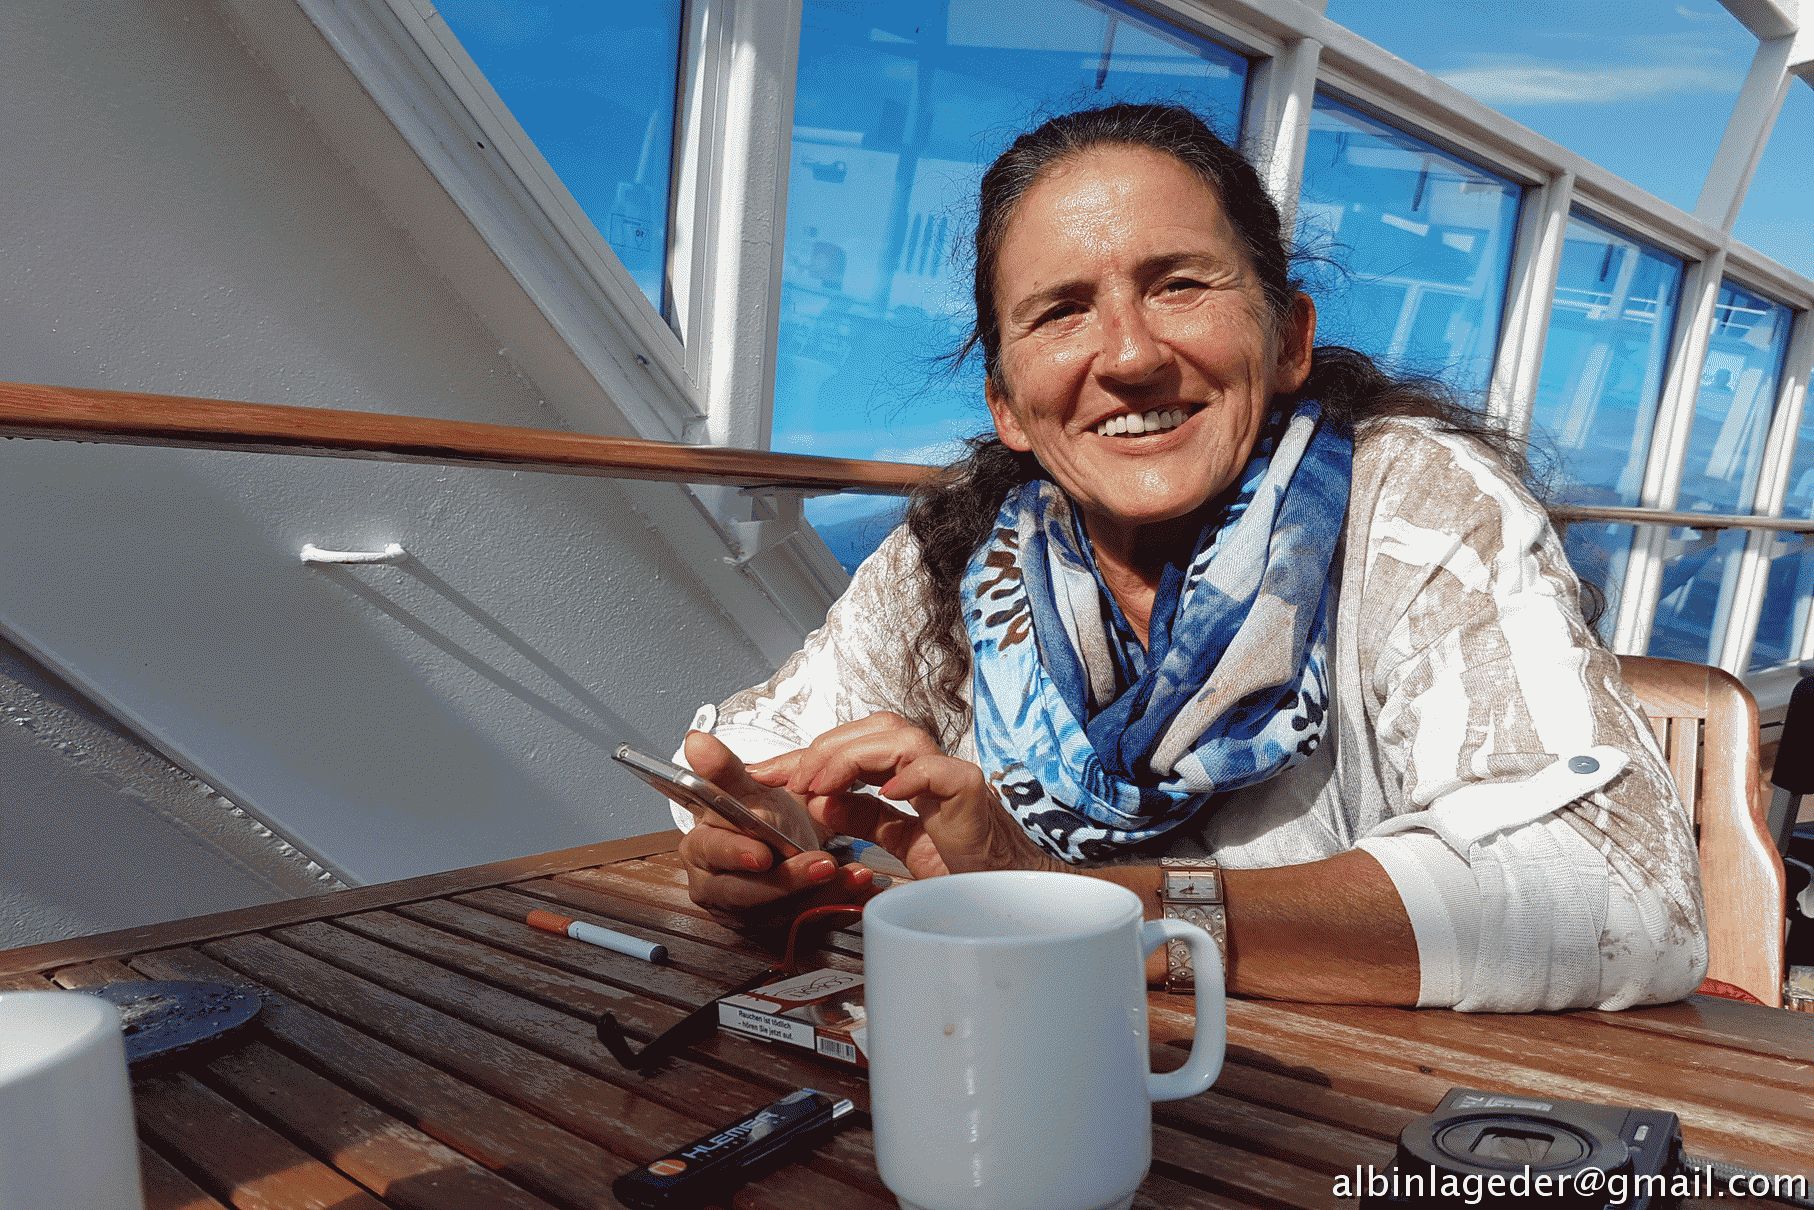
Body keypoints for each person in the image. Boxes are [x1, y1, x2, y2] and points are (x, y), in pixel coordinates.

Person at [671, 103, 1706, 1012]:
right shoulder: (956, 551)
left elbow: (1615, 887)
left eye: (1177, 286)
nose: (1128, 356)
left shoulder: (1410, 507)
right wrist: (768, 833)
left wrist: (1066, 905)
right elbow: (745, 751)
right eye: (1061, 311)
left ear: (1287, 340)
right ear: (1007, 405)